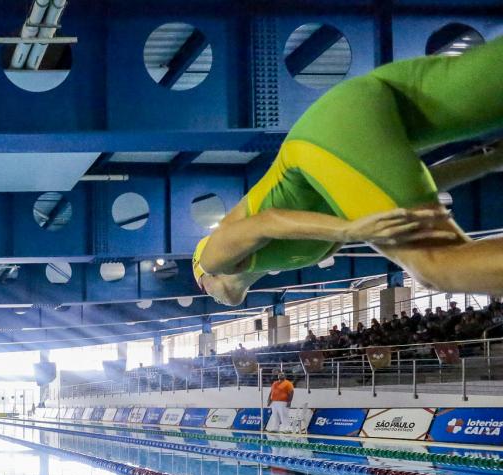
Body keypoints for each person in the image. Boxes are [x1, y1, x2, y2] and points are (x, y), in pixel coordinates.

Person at [193, 36, 503, 306]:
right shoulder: (305, 246)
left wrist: (347, 232)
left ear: (206, 277)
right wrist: (488, 161)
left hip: (322, 137)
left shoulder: (212, 259)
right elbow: (394, 184)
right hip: (357, 102)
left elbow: (266, 222)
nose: (208, 294)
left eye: (202, 287)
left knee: (435, 267)